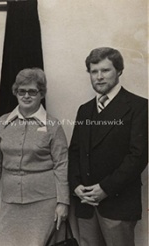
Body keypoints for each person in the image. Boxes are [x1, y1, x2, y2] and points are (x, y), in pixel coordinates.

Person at [68, 47, 148, 246]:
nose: (99, 77)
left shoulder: (139, 107)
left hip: (117, 204)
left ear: (119, 71)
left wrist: (105, 188)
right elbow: (75, 152)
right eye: (94, 72)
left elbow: (138, 156)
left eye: (105, 70)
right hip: (85, 204)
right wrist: (76, 185)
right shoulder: (85, 110)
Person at [0, 68, 69, 246]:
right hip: (10, 200)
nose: (26, 96)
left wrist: (63, 202)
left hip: (43, 202)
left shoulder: (53, 125)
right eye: (21, 91)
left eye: (32, 91)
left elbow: (62, 165)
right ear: (15, 92)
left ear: (41, 94)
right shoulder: (3, 122)